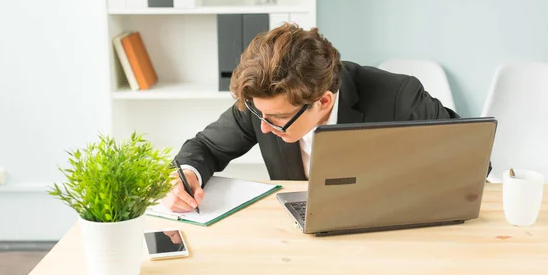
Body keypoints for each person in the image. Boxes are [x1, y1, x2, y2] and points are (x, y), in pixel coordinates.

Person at [162, 23, 460, 212]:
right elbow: (205, 147)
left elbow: (465, 157)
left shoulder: (398, 95)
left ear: (324, 100)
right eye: (259, 113)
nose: (264, 128)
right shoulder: (262, 106)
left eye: (278, 118)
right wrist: (188, 175)